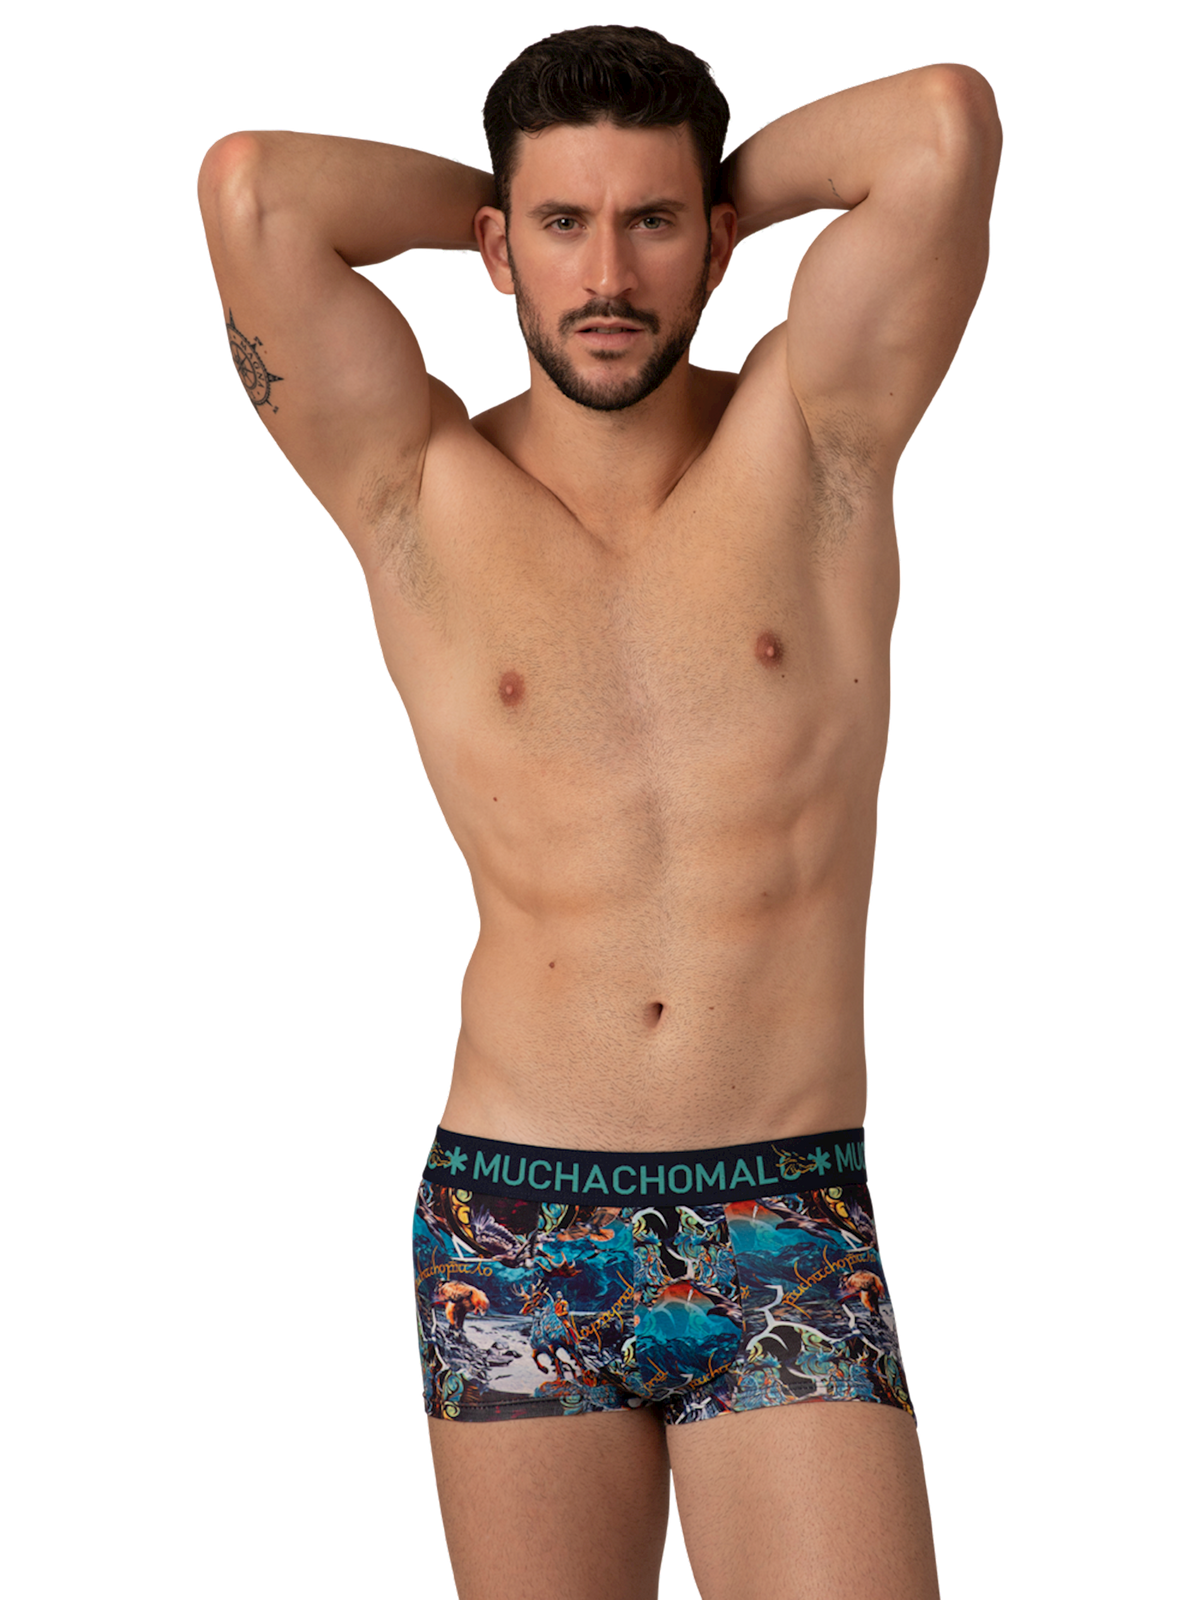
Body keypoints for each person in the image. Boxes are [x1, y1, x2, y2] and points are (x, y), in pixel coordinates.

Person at [195, 24, 1003, 1597]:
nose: (609, 275)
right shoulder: (415, 485)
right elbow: (251, 192)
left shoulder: (817, 438)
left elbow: (941, 127)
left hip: (783, 1198)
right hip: (515, 1212)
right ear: (498, 247)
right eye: (563, 226)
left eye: (654, 224)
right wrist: (512, 196)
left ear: (718, 241)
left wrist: (696, 189)